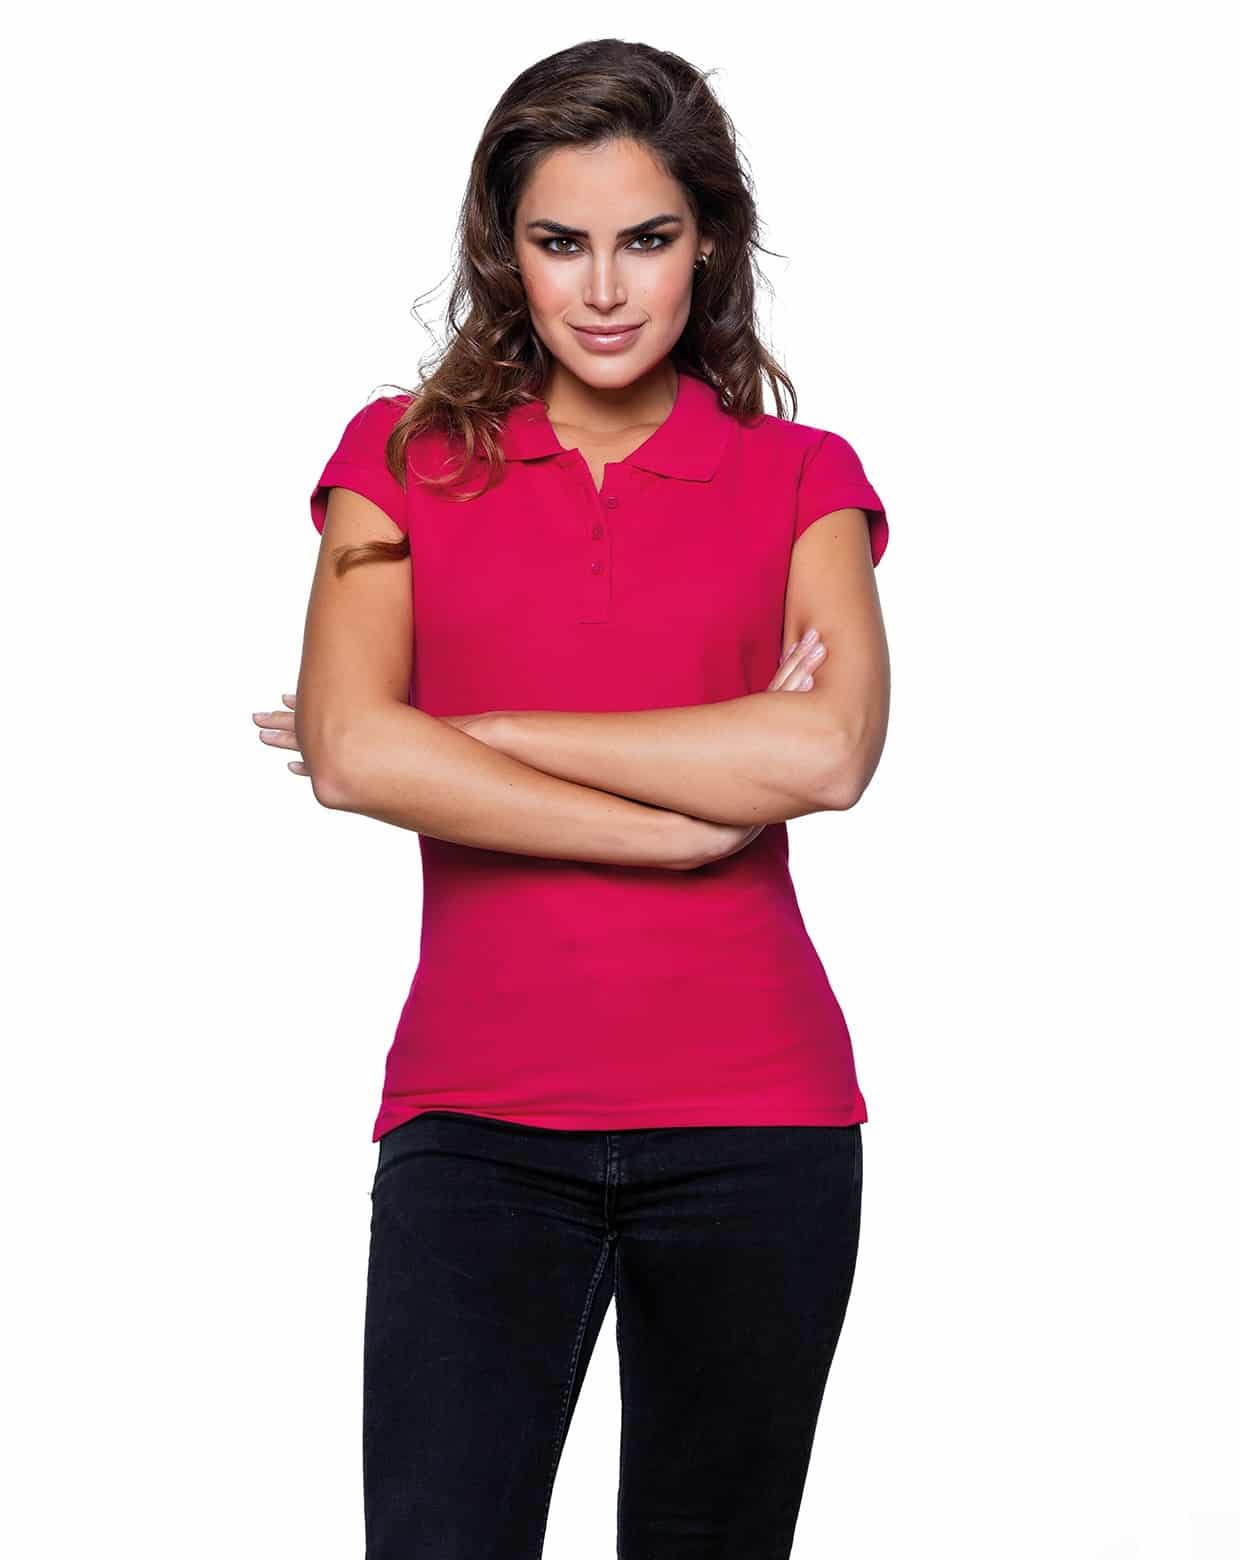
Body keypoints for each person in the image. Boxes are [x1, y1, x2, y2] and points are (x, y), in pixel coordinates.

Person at [252, 36, 890, 1560]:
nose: (604, 289)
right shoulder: (398, 459)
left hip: (760, 1123)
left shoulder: (803, 477)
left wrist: (474, 731)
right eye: (561, 242)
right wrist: (684, 821)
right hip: (477, 1120)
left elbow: (827, 754)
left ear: (708, 243)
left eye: (646, 239)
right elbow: (354, 753)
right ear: (507, 250)